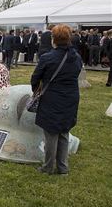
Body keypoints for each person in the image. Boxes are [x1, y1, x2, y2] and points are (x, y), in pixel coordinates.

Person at [31, 24, 82, 175]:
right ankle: (63, 168)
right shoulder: (76, 57)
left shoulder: (48, 57)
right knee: (64, 132)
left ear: (54, 39)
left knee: (51, 133)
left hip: (52, 97)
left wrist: (36, 90)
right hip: (71, 97)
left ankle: (48, 167)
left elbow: (35, 77)